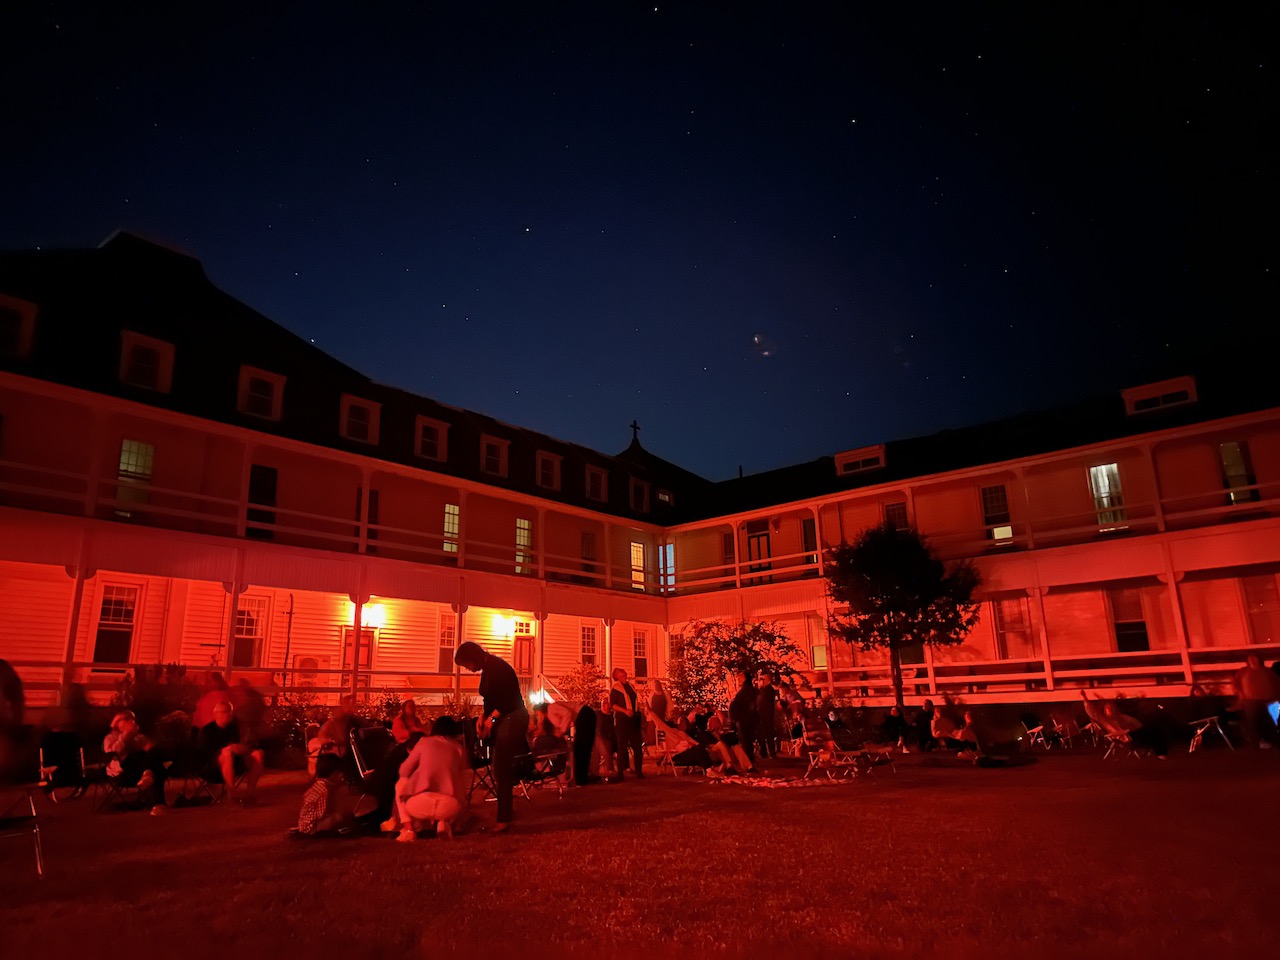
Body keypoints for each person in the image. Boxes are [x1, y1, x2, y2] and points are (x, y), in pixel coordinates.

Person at [453, 641, 528, 831]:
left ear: (474, 657)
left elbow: (506, 702)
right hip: (504, 717)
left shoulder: (498, 668)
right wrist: (482, 717)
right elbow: (491, 700)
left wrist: (491, 721)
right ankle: (505, 814)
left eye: (467, 664)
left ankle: (504, 819)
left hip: (513, 717)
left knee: (501, 766)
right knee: (500, 767)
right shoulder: (488, 669)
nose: (468, 669)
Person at [391, 715, 470, 841]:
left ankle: (409, 829)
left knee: (401, 783)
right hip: (450, 807)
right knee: (454, 787)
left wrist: (419, 773)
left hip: (420, 805)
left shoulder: (424, 742)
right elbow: (462, 775)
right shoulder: (459, 748)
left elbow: (404, 771)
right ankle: (443, 824)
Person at [198, 700, 265, 802]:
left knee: (258, 754)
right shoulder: (207, 731)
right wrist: (225, 750)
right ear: (216, 714)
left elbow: (250, 746)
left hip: (237, 763)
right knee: (227, 753)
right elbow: (203, 755)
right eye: (225, 712)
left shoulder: (237, 728)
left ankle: (249, 794)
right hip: (213, 768)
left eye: (230, 711)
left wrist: (242, 748)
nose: (228, 714)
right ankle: (232, 795)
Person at [102, 709, 167, 811]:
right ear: (117, 723)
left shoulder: (138, 737)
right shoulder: (110, 738)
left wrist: (137, 736)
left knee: (153, 761)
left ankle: (157, 803)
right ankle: (157, 801)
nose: (132, 722)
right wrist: (126, 734)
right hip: (122, 774)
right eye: (127, 719)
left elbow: (149, 750)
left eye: (133, 719)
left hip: (137, 772)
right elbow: (113, 753)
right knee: (146, 762)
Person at [1080, 691, 1168, 759]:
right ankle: (1160, 753)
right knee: (1153, 731)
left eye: (1112, 707)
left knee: (1155, 730)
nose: (1111, 709)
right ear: (1105, 710)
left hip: (1133, 734)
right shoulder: (1104, 720)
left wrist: (1137, 728)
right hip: (1125, 738)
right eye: (1108, 708)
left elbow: (1135, 722)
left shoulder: (1120, 716)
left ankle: (1161, 753)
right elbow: (1092, 711)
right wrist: (1085, 697)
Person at [1233, 654, 1279, 749]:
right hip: (1250, 702)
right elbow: (1236, 685)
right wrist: (1241, 696)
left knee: (1269, 723)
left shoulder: (1268, 672)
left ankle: (1273, 742)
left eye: (1254, 658)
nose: (1253, 661)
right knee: (1252, 723)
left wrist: (1276, 698)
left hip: (1267, 701)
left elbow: (1276, 684)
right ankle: (1255, 744)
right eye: (1250, 659)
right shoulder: (1243, 672)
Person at [297, 753, 350, 836]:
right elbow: (322, 815)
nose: (342, 776)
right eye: (339, 773)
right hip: (312, 828)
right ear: (333, 773)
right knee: (340, 815)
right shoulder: (324, 790)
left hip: (305, 826)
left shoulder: (318, 785)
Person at [609, 667, 644, 781]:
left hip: (633, 719)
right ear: (617, 676)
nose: (624, 674)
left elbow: (634, 700)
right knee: (622, 747)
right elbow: (613, 705)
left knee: (637, 746)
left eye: (623, 673)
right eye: (621, 673)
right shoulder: (616, 689)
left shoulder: (630, 686)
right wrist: (625, 711)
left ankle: (639, 772)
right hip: (623, 720)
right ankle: (620, 773)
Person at [729, 671, 758, 763]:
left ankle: (748, 760)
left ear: (745, 678)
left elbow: (749, 705)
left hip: (743, 719)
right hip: (743, 719)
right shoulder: (746, 690)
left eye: (740, 678)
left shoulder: (747, 690)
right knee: (745, 740)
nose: (738, 680)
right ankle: (748, 759)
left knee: (746, 740)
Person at [755, 672, 778, 759]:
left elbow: (765, 700)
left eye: (763, 679)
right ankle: (763, 752)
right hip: (761, 716)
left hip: (767, 716)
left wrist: (760, 687)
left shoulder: (769, 690)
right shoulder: (762, 691)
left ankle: (771, 753)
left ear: (768, 681)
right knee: (761, 734)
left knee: (768, 734)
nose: (761, 681)